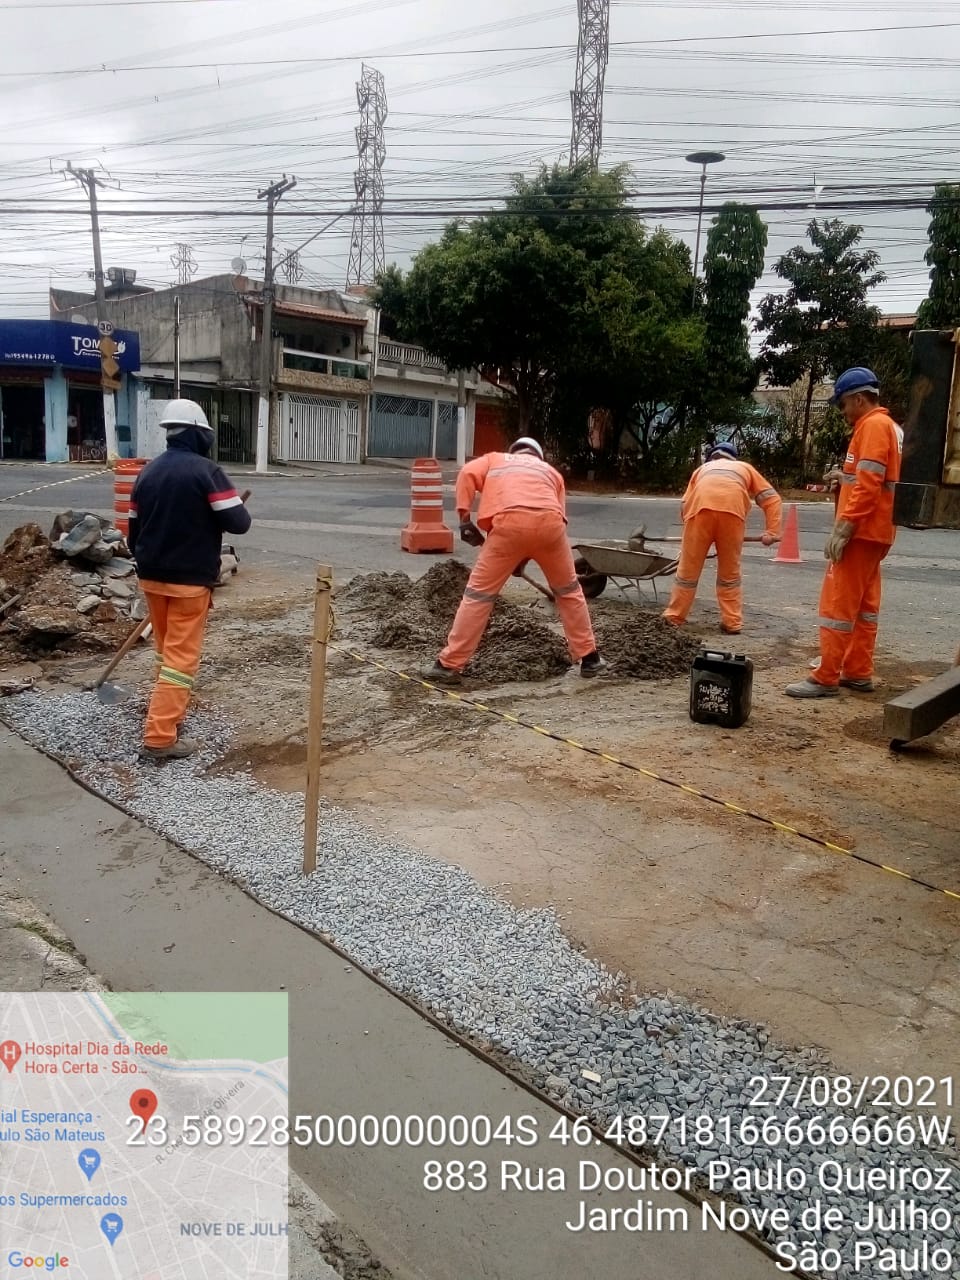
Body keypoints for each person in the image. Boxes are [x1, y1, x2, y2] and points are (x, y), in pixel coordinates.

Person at [127, 399, 251, 759]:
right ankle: (160, 737)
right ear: (199, 433)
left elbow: (133, 532)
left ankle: (170, 714)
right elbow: (239, 523)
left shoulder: (147, 474)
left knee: (166, 653)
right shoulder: (205, 472)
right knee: (181, 662)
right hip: (188, 584)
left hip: (151, 578)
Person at [426, 437, 606, 684]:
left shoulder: (495, 459)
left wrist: (464, 518)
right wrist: (521, 559)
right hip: (551, 527)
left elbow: (467, 472)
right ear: (538, 456)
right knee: (569, 591)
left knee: (478, 595)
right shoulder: (552, 473)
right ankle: (590, 659)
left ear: (515, 451)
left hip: (508, 525)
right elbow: (548, 520)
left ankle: (448, 665)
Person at [785, 367, 902, 698]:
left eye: (843, 404)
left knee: (837, 607)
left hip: (862, 532)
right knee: (865, 606)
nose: (843, 412)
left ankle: (826, 677)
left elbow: (869, 484)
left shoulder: (874, 426)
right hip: (876, 531)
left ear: (859, 399)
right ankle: (857, 671)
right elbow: (867, 479)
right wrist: (843, 478)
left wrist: (845, 526)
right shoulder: (885, 427)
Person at [662, 443, 782, 635]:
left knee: (687, 572)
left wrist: (691, 533)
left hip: (699, 514)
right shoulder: (745, 468)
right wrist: (772, 532)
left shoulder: (701, 469)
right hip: (732, 516)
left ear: (712, 458)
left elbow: (685, 505)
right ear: (734, 458)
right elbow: (772, 498)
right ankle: (732, 622)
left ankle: (674, 617)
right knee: (730, 574)